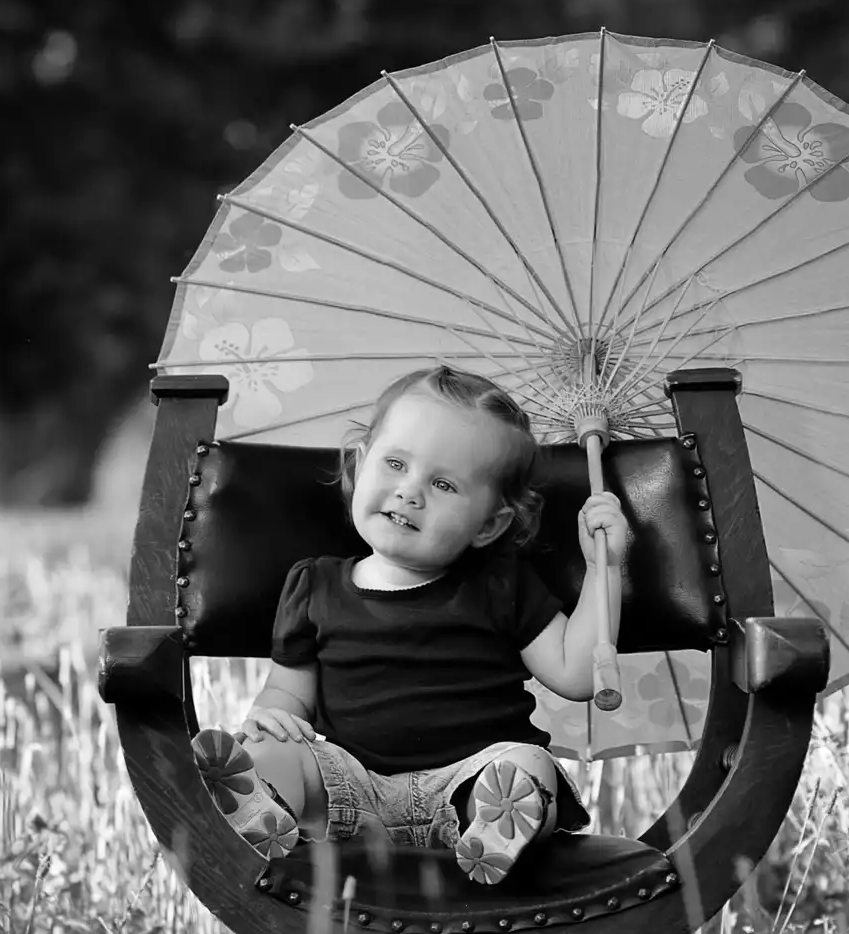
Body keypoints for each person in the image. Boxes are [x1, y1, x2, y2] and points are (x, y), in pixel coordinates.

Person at [190, 364, 630, 885]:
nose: (409, 492)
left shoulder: (501, 586)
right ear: (359, 464)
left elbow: (578, 674)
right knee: (273, 753)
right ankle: (263, 805)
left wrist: (606, 568)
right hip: (352, 787)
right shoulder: (314, 587)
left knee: (528, 767)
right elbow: (288, 695)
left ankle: (499, 831)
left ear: (490, 524)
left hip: (471, 782)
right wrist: (270, 720)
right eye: (395, 463)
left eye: (443, 484)